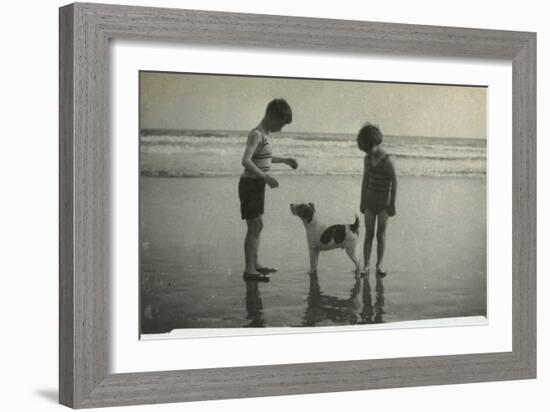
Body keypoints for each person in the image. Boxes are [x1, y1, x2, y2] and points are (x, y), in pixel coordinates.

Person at [239, 98, 298, 281]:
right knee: (254, 226)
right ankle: (249, 269)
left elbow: (266, 157)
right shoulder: (256, 134)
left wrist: (285, 160)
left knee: (258, 225)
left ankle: (255, 265)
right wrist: (265, 177)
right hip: (249, 185)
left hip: (257, 186)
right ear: (271, 116)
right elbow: (246, 160)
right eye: (280, 124)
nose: (281, 129)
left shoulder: (266, 136)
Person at [357, 123, 397, 277]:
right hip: (369, 203)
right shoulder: (367, 159)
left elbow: (394, 182)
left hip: (383, 206)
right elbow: (365, 180)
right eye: (365, 150)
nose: (367, 152)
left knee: (380, 235)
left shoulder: (387, 160)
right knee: (368, 234)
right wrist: (362, 201)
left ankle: (379, 265)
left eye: (368, 148)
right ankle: (366, 265)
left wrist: (392, 204)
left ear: (376, 143)